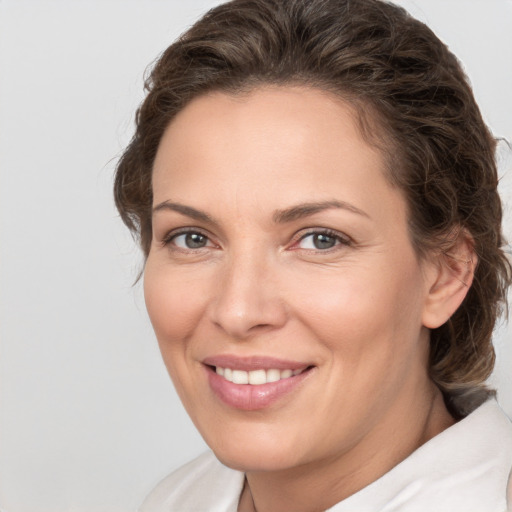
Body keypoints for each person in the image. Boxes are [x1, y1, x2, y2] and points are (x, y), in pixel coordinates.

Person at [113, 0, 512, 510]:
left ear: (446, 273)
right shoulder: (178, 499)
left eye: (320, 239)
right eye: (193, 238)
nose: (237, 311)